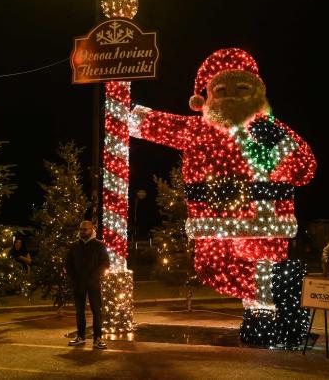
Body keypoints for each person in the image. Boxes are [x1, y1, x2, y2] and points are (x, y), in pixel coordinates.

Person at [129, 48, 316, 309]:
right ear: (205, 98)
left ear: (256, 92)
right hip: (213, 222)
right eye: (221, 90)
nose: (231, 97)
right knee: (211, 268)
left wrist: (272, 150)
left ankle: (268, 310)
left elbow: (304, 169)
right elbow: (156, 125)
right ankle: (273, 299)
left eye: (241, 88)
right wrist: (124, 115)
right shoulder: (198, 131)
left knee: (265, 272)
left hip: (265, 220)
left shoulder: (269, 130)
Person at [66, 220, 110, 349]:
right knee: (79, 311)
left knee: (97, 311)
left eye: (85, 229)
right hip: (78, 284)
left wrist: (95, 276)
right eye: (81, 229)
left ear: (92, 229)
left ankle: (97, 338)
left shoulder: (99, 246)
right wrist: (74, 278)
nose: (82, 231)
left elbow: (105, 263)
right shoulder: (74, 246)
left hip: (93, 284)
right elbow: (68, 263)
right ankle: (81, 336)